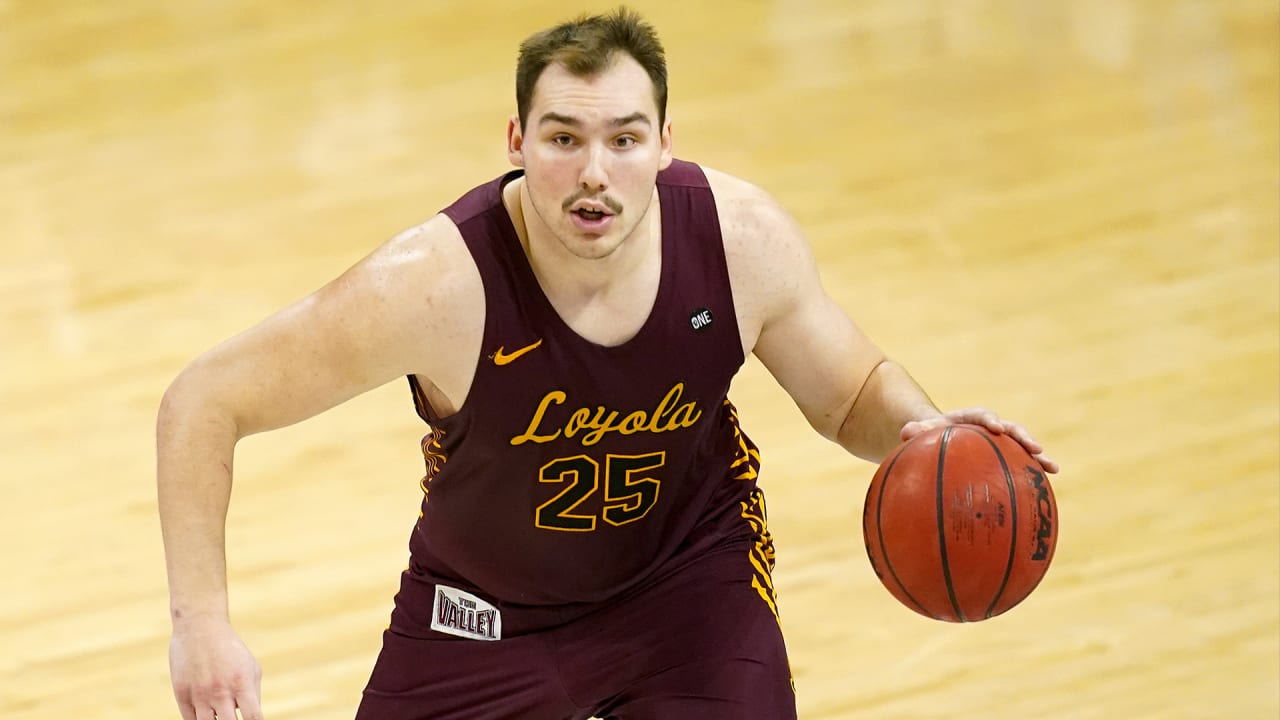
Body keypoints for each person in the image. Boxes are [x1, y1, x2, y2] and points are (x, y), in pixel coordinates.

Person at [157, 7, 1059, 720]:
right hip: (484, 614)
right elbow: (205, 400)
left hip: (690, 590)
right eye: (563, 140)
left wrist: (929, 432)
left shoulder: (741, 243)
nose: (596, 172)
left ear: (666, 143)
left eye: (625, 140)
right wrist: (202, 627)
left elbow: (852, 392)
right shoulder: (434, 286)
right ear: (515, 142)